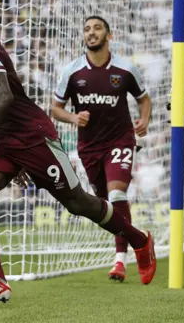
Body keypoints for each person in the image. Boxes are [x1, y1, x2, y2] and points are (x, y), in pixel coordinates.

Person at [0, 0, 156, 303]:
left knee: (78, 202)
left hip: (30, 135)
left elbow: (3, 95)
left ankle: (138, 240)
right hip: (2, 139)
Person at [52, 16, 152, 283]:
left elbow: (144, 99)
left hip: (120, 140)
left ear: (109, 35)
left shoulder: (126, 69)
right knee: (105, 205)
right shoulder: (71, 72)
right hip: (89, 147)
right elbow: (55, 108)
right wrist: (73, 118)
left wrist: (144, 119)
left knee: (117, 194)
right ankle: (140, 241)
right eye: (86, 29)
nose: (91, 32)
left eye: (97, 28)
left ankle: (121, 260)